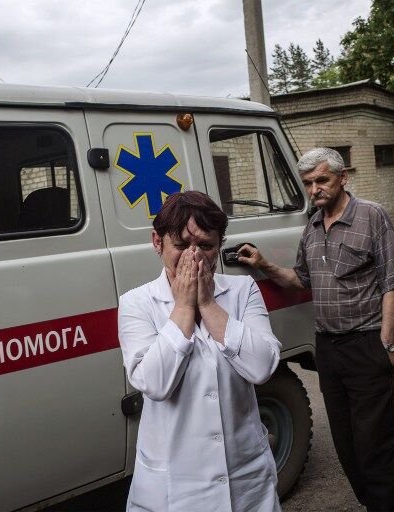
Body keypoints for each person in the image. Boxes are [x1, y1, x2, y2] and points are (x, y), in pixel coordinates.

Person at [237, 147, 394, 511]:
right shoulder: (312, 227)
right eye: (307, 183)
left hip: (366, 342)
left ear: (342, 177)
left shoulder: (372, 216)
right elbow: (300, 279)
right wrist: (264, 264)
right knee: (345, 440)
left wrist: (387, 344)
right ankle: (372, 503)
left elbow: (393, 282)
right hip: (328, 348)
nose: (314, 189)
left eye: (321, 180)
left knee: (375, 440)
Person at [118, 190, 282, 512]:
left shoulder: (241, 290)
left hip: (245, 476)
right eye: (181, 245)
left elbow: (262, 366)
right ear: (157, 242)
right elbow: (154, 383)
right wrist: (183, 306)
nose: (194, 256)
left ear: (219, 246)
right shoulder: (136, 303)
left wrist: (208, 303)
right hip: (175, 485)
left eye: (206, 246)